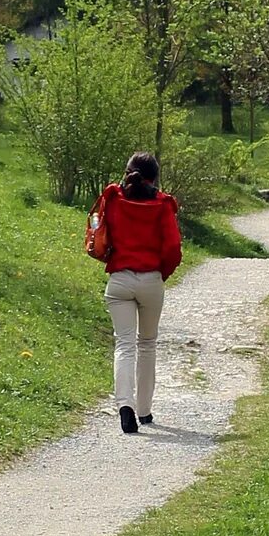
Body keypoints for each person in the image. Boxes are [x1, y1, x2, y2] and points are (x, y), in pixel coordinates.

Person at [86, 149, 182, 435]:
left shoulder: (114, 199)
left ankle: (124, 407)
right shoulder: (163, 205)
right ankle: (144, 411)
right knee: (147, 344)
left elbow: (100, 231)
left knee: (124, 345)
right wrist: (160, 274)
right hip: (151, 279)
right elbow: (173, 249)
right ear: (155, 178)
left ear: (127, 173)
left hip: (119, 281)